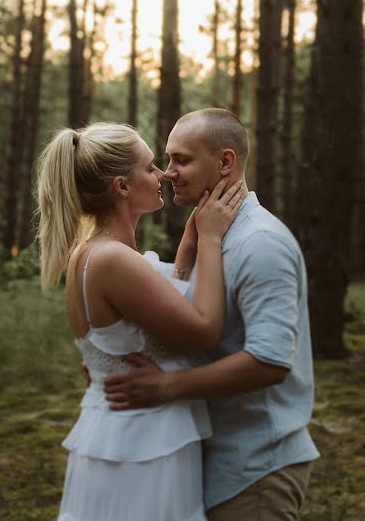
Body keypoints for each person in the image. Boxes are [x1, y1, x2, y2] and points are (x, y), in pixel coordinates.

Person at [103, 108, 320, 520]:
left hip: (256, 469)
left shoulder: (260, 243)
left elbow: (270, 361)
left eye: (181, 160)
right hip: (211, 457)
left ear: (224, 162)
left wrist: (167, 387)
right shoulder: (212, 237)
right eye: (167, 161)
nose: (168, 173)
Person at [36, 122, 245, 521]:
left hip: (122, 432)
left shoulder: (92, 253)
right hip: (142, 442)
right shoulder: (112, 260)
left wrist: (188, 245)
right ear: (122, 187)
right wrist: (212, 239)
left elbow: (150, 317)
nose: (164, 175)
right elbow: (202, 331)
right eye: (150, 168)